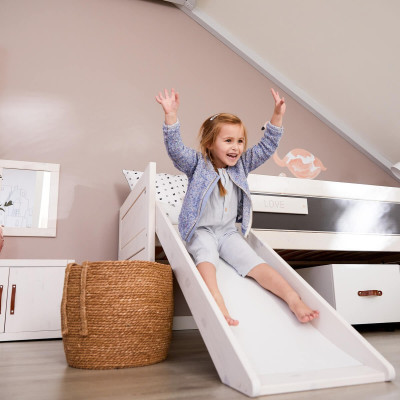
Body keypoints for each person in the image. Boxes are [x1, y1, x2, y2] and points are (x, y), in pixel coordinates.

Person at [156, 88, 319, 326]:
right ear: (210, 143)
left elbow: (266, 147)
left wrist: (277, 115)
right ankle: (216, 300)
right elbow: (176, 150)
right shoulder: (197, 164)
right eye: (228, 141)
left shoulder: (241, 165)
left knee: (253, 261)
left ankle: (293, 299)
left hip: (228, 232)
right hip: (201, 230)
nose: (236, 147)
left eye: (240, 141)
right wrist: (171, 116)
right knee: (206, 254)